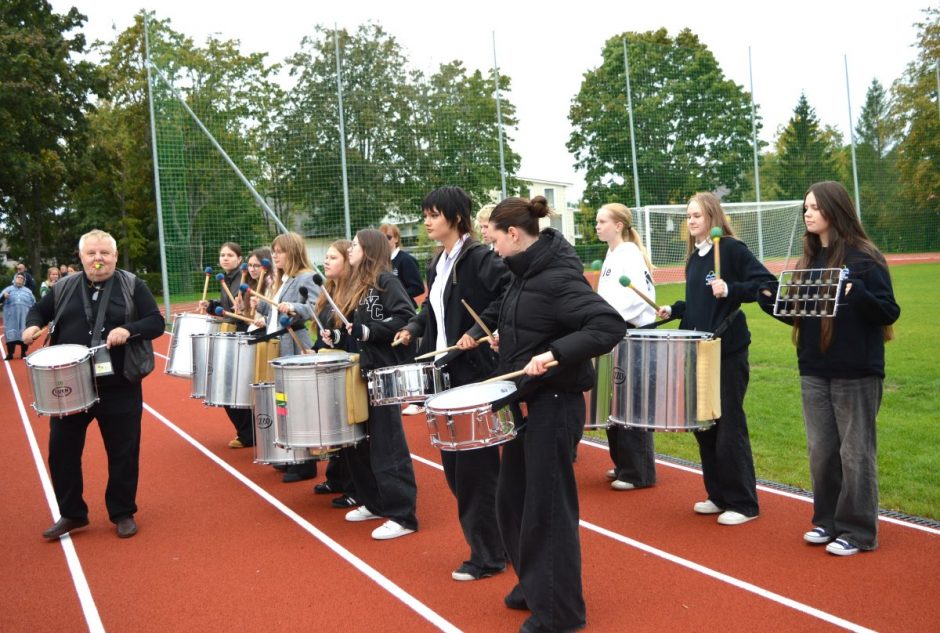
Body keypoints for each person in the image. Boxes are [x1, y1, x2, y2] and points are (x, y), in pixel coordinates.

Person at [485, 196, 623, 633]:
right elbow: (533, 323)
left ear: (513, 234)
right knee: (512, 501)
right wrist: (502, 339)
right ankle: (534, 584)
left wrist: (554, 355)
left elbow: (607, 325)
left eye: (493, 239)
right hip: (527, 404)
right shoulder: (522, 274)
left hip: (556, 405)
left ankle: (560, 613)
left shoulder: (557, 276)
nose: (491, 247)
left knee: (548, 510)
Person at [758, 181, 899, 556]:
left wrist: (861, 294)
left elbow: (889, 312)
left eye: (815, 207)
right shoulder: (808, 260)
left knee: (856, 454)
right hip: (814, 370)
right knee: (822, 451)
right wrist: (772, 304)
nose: (808, 213)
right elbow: (805, 317)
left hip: (856, 371)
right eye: (806, 207)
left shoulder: (865, 258)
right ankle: (827, 520)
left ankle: (858, 530)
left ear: (835, 210)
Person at [395, 186, 511, 581]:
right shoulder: (438, 262)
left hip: (473, 373)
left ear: (455, 217)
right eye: (425, 214)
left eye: (432, 214)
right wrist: (413, 327)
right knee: (455, 469)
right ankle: (497, 543)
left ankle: (489, 556)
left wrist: (481, 328)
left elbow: (509, 293)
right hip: (443, 374)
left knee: (475, 471)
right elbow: (431, 309)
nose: (426, 221)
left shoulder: (478, 257)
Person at [24, 229, 164, 539]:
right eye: (92, 254)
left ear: (114, 256)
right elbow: (39, 310)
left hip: (120, 384)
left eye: (104, 253)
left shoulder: (132, 285)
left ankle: (122, 511)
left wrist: (128, 329)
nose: (98, 259)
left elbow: (156, 322)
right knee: (61, 450)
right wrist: (33, 324)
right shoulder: (64, 287)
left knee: (123, 451)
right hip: (71, 385)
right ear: (82, 256)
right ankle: (72, 514)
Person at [656, 192, 775, 526]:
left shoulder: (731, 249)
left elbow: (766, 285)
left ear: (712, 217)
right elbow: (699, 304)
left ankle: (744, 502)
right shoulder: (696, 257)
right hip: (697, 351)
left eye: (697, 215)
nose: (691, 221)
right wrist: (675, 310)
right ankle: (718, 495)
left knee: (729, 424)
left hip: (728, 350)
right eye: (688, 216)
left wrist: (732, 289)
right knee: (704, 426)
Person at [323, 229, 418, 541]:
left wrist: (368, 331)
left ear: (369, 250)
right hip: (361, 371)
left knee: (387, 444)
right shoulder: (358, 285)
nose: (350, 249)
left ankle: (403, 515)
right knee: (360, 442)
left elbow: (406, 317)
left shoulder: (387, 281)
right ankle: (374, 502)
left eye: (354, 245)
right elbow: (356, 332)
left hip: (384, 372)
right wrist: (338, 337)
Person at [249, 232, 321, 483]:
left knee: (298, 402)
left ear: (293, 252)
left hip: (296, 343)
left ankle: (306, 461)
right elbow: (270, 309)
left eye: (280, 251)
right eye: (274, 251)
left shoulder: (306, 277)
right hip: (278, 343)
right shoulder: (279, 279)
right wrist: (257, 303)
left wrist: (294, 308)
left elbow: (317, 308)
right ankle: (293, 454)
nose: (275, 255)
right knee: (283, 402)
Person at [594, 203, 657, 491]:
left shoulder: (630, 253)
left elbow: (636, 298)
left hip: (632, 333)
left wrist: (606, 319)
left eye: (602, 221)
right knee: (614, 398)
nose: (597, 225)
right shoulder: (611, 254)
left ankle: (639, 471)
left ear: (619, 225)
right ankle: (623, 463)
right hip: (614, 332)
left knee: (632, 401)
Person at [310, 239, 359, 509]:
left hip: (348, 367)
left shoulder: (351, 296)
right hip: (331, 364)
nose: (326, 261)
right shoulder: (327, 292)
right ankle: (337, 477)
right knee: (333, 422)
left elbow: (349, 338)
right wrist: (316, 348)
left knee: (348, 426)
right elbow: (323, 333)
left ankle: (355, 485)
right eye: (326, 257)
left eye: (332, 257)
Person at [198, 242, 255, 450]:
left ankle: (248, 433)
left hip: (242, 335)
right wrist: (211, 305)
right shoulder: (226, 279)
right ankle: (246, 432)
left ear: (239, 259)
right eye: (222, 255)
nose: (225, 258)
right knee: (226, 388)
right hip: (229, 334)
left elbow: (243, 310)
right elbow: (227, 309)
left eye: (230, 255)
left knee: (231, 387)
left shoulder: (243, 278)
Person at [379, 223, 424, 305]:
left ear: (396, 239)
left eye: (388, 237)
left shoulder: (406, 260)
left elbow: (418, 288)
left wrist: (395, 295)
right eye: (381, 238)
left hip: (403, 308)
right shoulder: (379, 261)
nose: (384, 240)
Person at [2, 273, 36, 359]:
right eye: (18, 277)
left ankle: (23, 353)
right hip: (11, 318)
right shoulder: (8, 289)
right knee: (11, 334)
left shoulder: (28, 291)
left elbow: (34, 304)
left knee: (24, 334)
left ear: (24, 281)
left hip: (24, 317)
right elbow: (0, 299)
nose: (20, 279)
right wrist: (4, 296)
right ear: (14, 278)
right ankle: (10, 354)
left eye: (22, 278)